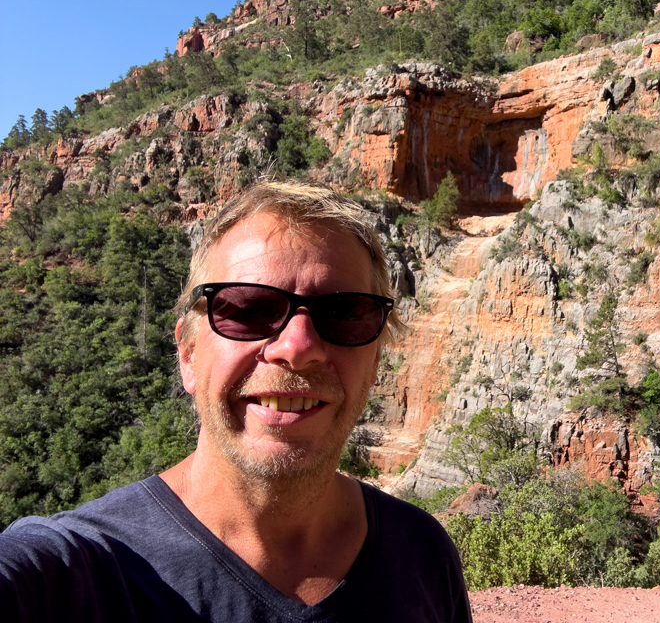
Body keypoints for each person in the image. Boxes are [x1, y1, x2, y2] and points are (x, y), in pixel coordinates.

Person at [0, 181, 472, 622]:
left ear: (376, 361)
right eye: (249, 309)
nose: (297, 345)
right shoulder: (75, 571)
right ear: (187, 354)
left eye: (344, 313)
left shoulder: (422, 554)